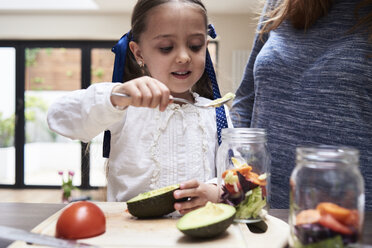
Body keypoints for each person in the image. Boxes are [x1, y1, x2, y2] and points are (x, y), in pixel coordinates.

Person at [47, 0, 231, 214]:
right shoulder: (124, 107)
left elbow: (238, 176)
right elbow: (58, 116)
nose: (183, 57)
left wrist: (217, 192)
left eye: (195, 46)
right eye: (166, 47)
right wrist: (116, 97)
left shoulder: (218, 113)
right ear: (139, 53)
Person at [231, 0, 372, 209]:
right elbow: (245, 100)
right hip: (260, 210)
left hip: (348, 220)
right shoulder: (279, 4)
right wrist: (232, 174)